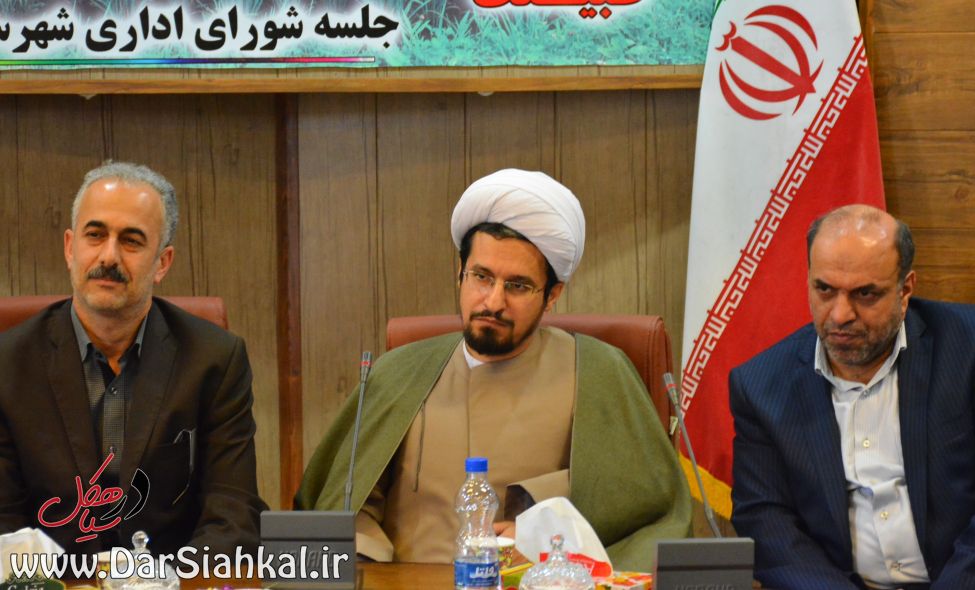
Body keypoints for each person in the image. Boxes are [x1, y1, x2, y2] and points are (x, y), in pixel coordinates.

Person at [297, 168, 691, 571]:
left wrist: (549, 538)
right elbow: (342, 509)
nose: (493, 301)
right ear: (460, 274)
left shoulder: (599, 373)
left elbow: (651, 518)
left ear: (552, 295)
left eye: (518, 286)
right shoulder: (397, 373)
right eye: (481, 277)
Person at [729, 204, 975, 589]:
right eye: (824, 289)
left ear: (905, 290)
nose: (840, 315)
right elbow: (765, 520)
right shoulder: (761, 384)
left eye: (865, 293)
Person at [0, 161, 266, 556]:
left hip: (173, 577)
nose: (109, 256)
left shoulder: (214, 361)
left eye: (131, 241)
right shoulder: (8, 365)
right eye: (95, 235)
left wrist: (168, 581)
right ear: (70, 247)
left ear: (162, 262)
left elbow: (233, 512)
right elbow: (3, 522)